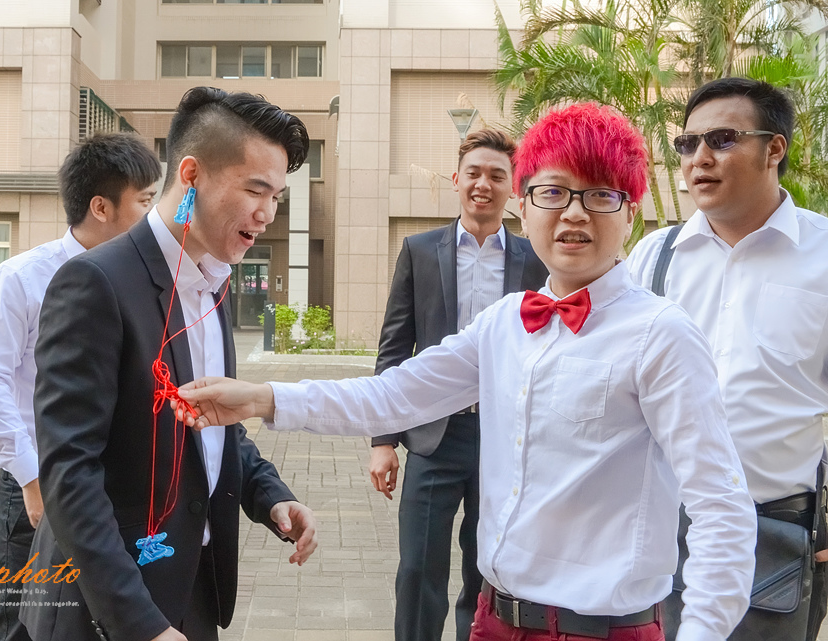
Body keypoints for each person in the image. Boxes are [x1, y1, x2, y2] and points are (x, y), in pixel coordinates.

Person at [175, 103, 758, 641]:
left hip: (604, 630)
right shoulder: (504, 323)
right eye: (553, 192)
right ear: (524, 204)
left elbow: (722, 509)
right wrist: (263, 398)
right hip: (493, 621)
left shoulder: (662, 335)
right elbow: (393, 395)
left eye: (600, 195)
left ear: (630, 211)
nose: (574, 213)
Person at [21, 87, 318, 641]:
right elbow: (69, 470)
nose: (266, 213)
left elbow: (209, 424)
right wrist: (140, 624)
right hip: (107, 607)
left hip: (193, 586)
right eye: (255, 189)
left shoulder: (211, 283)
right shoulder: (96, 282)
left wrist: (271, 496)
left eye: (276, 196)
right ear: (191, 175)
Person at [626, 77, 828, 641]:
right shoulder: (654, 257)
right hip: (656, 528)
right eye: (687, 143)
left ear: (774, 148)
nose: (699, 158)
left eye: (721, 139)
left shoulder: (823, 255)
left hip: (773, 532)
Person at [0, 132, 162, 641]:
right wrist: (32, 480)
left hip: (113, 482)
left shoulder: (144, 279)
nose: (154, 215)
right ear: (101, 207)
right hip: (38, 479)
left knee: (106, 615)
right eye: (144, 202)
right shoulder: (20, 279)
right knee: (27, 621)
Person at [369, 128, 547, 641]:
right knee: (417, 570)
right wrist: (383, 440)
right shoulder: (420, 251)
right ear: (457, 179)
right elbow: (394, 349)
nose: (483, 184)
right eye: (474, 173)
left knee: (487, 570)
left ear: (513, 187)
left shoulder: (535, 259)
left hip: (505, 440)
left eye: (496, 175)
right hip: (433, 437)